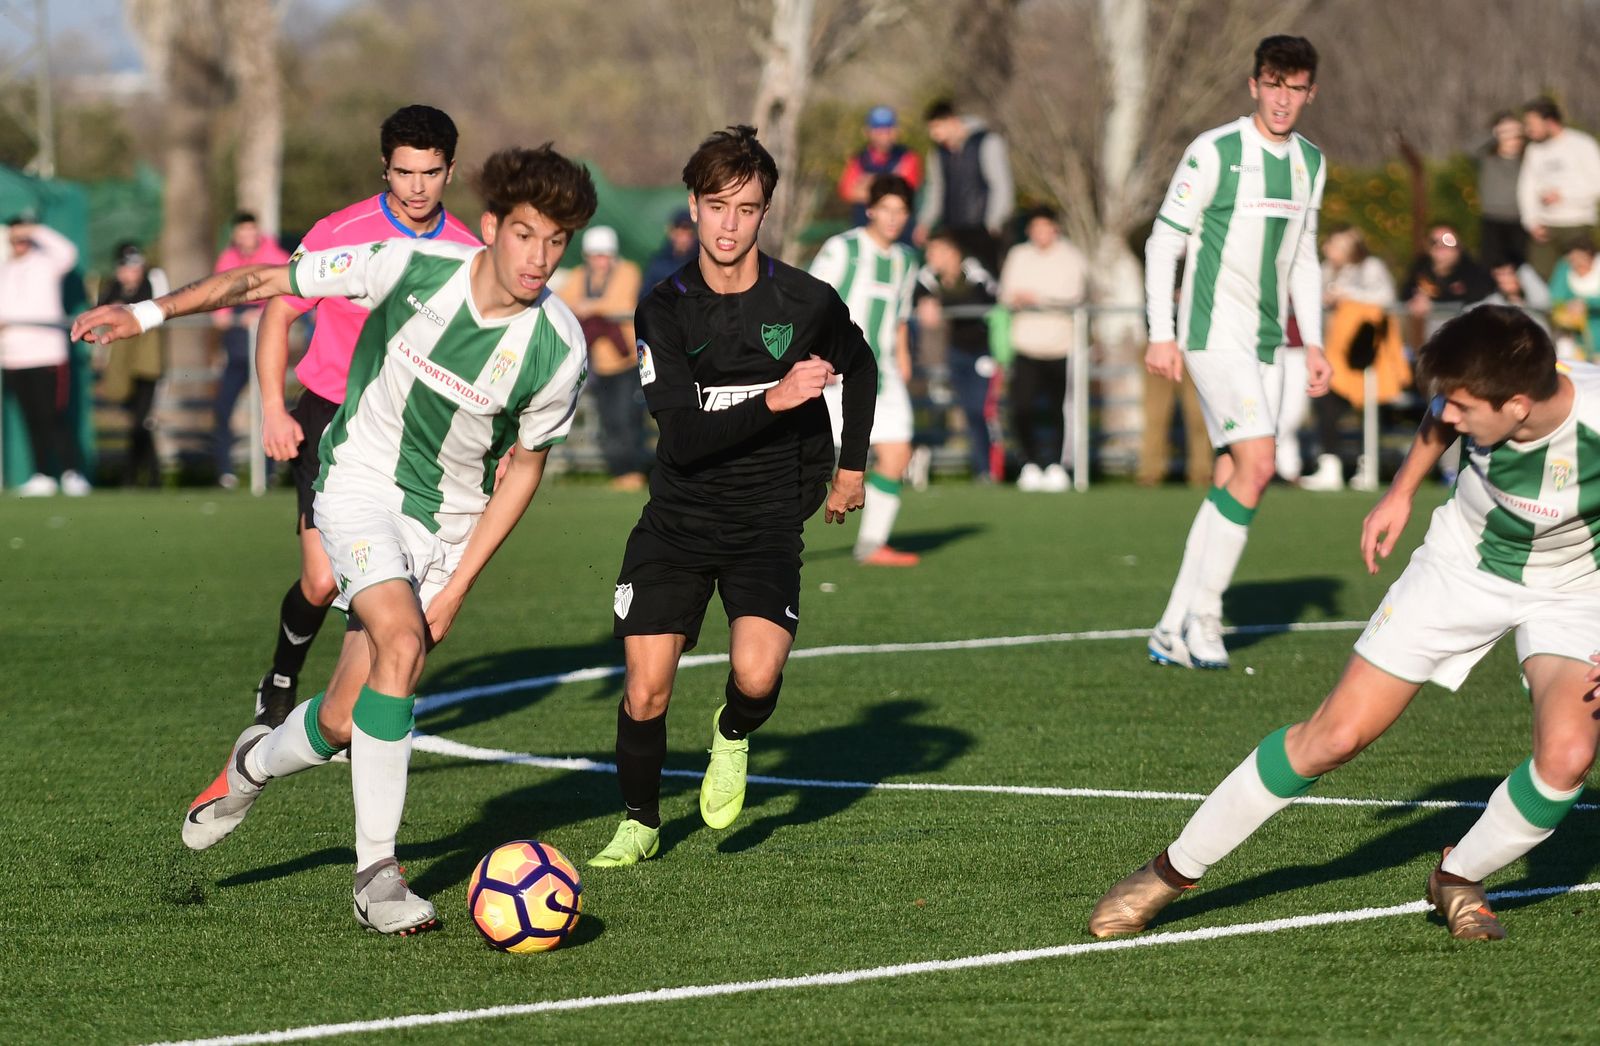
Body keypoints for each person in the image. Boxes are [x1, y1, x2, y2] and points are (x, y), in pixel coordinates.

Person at [75, 143, 598, 934]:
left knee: (347, 718)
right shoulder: (410, 265)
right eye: (527, 234)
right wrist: (144, 313)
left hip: (446, 526)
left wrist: (458, 585)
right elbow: (263, 282)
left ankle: (252, 764)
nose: (540, 258)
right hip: (356, 485)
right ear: (490, 226)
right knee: (401, 643)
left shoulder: (559, 346)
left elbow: (524, 468)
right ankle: (376, 877)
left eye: (558, 242)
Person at [1090, 305, 1597, 944]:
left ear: (1519, 405)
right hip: (1459, 570)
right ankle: (1168, 872)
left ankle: (1457, 876)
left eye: (1463, 407)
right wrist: (1401, 492)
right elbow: (1437, 422)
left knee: (1568, 758)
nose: (1447, 415)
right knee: (1335, 736)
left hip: (1575, 592)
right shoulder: (1475, 401)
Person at [591, 125, 875, 867]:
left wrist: (852, 468)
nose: (729, 223)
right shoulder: (664, 308)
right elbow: (681, 440)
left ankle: (734, 734)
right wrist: (778, 400)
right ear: (693, 206)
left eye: (746, 208)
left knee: (756, 676)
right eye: (717, 205)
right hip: (678, 520)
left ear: (765, 212)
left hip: (768, 518)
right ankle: (640, 822)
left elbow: (863, 364)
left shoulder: (806, 301)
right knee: (646, 690)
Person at [250, 104, 478, 729]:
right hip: (329, 420)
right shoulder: (340, 231)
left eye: (430, 173)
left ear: (450, 171)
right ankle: (280, 675)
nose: (416, 188)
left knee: (388, 575)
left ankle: (352, 706)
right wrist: (273, 408)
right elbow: (277, 310)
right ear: (385, 168)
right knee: (322, 582)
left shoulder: (469, 255)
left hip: (413, 434)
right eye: (403, 172)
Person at [1143, 35, 1330, 670]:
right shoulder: (1215, 151)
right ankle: (1205, 615)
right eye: (1273, 84)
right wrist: (1159, 331)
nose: (1283, 98)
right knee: (1257, 464)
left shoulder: (1311, 162)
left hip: (1270, 344)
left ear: (1310, 92)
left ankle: (1171, 624)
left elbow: (1303, 257)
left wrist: (1319, 340)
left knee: (1234, 475)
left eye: (1295, 87)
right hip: (1210, 332)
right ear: (1254, 86)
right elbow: (1162, 243)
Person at [810, 174, 920, 564]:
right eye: (886, 209)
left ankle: (872, 544)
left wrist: (903, 357)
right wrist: (819, 357)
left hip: (884, 374)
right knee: (802, 458)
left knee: (897, 453)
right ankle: (758, 538)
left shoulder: (907, 260)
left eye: (901, 211)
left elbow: (901, 316)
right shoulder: (844, 249)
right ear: (871, 209)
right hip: (835, 372)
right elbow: (814, 304)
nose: (893, 218)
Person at [1300, 225, 1398, 492]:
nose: (1327, 250)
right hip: (1334, 351)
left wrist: (1346, 296)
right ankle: (1329, 465)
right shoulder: (1326, 269)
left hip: (1363, 352)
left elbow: (1385, 296)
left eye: (1332, 244)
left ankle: (1368, 467)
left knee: (1368, 408)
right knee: (1326, 405)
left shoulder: (1370, 266)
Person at [998, 205, 1087, 492]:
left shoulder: (1071, 257)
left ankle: (1057, 465)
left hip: (1060, 346)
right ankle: (1030, 462)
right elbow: (1006, 293)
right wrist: (1019, 299)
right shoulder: (1018, 256)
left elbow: (1075, 295)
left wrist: (1039, 298)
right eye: (1035, 228)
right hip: (1025, 344)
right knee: (1021, 407)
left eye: (1045, 227)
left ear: (1055, 228)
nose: (1040, 234)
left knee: (1058, 408)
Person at [1, 216, 88, 496]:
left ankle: (72, 473)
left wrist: (35, 230)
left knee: (53, 416)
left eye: (24, 235)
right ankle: (43, 475)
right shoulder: (5, 267)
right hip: (14, 357)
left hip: (47, 355)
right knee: (31, 419)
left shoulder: (46, 262)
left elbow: (68, 253)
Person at [557, 224, 648, 490]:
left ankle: (632, 470)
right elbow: (562, 301)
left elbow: (622, 302)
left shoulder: (628, 271)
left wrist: (589, 306)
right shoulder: (578, 275)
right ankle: (620, 471)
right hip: (598, 364)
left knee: (627, 416)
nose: (600, 261)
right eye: (595, 255)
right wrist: (588, 307)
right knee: (608, 419)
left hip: (627, 361)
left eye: (604, 255)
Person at [211, 211, 289, 488]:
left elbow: (288, 296)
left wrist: (263, 315)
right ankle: (225, 471)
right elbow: (218, 306)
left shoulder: (276, 257)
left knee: (270, 409)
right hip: (237, 350)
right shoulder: (228, 260)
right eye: (242, 231)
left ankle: (269, 470)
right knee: (222, 407)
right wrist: (232, 317)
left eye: (251, 230)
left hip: (267, 347)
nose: (247, 237)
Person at [914, 228, 1000, 481]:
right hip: (950, 352)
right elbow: (915, 296)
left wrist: (941, 304)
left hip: (981, 352)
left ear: (952, 252)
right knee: (955, 409)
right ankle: (977, 469)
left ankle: (990, 468)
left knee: (980, 410)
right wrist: (925, 303)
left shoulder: (974, 271)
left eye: (936, 251)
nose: (931, 256)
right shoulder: (928, 276)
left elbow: (986, 301)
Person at [94, 242, 170, 488]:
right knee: (137, 422)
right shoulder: (111, 287)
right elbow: (99, 313)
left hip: (147, 362)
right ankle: (150, 476)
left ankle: (136, 477)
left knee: (141, 421)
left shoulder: (154, 280)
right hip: (122, 364)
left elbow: (160, 306)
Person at [915, 99, 1014, 271]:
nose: (933, 134)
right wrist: (925, 222)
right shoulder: (938, 154)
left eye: (936, 127)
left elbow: (1000, 185)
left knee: (987, 279)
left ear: (952, 121)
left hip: (985, 229)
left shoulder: (987, 142)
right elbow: (936, 189)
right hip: (953, 228)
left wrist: (995, 220)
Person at [1518, 98, 1600, 281]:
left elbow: (1597, 184)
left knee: (1581, 274)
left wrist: (1564, 196)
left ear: (1549, 121)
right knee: (1541, 274)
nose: (1528, 129)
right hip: (1545, 225)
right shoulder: (1534, 150)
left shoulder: (1582, 144)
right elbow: (1526, 187)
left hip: (1577, 222)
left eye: (1532, 124)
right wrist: (1531, 220)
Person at [837, 105, 922, 241]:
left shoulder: (907, 157)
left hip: (900, 235)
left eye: (888, 130)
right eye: (878, 130)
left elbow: (902, 191)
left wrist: (867, 182)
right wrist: (887, 183)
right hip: (864, 231)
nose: (884, 136)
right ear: (867, 132)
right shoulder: (859, 159)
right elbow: (847, 191)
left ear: (896, 131)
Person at [1400, 222, 1494, 346]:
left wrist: (1434, 305)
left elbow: (1475, 297)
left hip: (1468, 341)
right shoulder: (1421, 266)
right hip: (1433, 341)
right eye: (1434, 241)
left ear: (1459, 246)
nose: (1440, 246)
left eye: (1448, 241)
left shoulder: (1471, 270)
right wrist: (1415, 301)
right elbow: (1405, 292)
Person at [1477, 111, 1527, 270]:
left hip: (1520, 219)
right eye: (1506, 133)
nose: (1510, 137)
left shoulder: (1529, 157)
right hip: (1492, 218)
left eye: (1514, 132)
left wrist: (1523, 130)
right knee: (1491, 264)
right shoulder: (1487, 158)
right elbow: (1467, 149)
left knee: (1520, 265)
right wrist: (1495, 133)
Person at [1549, 238, 1600, 359]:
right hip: (1575, 337)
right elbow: (1556, 296)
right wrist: (1563, 267)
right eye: (1572, 259)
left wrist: (1586, 303)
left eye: (1579, 257)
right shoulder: (1566, 269)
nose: (1576, 262)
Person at [640, 208, 698, 302]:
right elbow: (643, 297)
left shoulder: (703, 263)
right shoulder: (658, 263)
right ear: (671, 233)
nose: (682, 239)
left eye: (687, 234)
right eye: (679, 234)